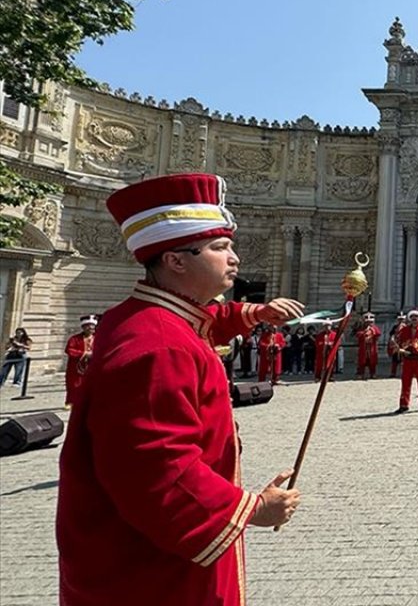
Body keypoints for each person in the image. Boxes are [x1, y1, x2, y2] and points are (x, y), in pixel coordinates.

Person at [57, 172, 303, 606]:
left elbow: (203, 320)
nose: (235, 259)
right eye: (220, 247)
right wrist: (253, 508)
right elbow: (159, 470)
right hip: (154, 571)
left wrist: (253, 313)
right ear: (175, 260)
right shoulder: (158, 347)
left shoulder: (145, 316)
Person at [64, 315, 97, 407]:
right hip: (76, 367)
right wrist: (85, 354)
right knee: (74, 385)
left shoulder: (98, 338)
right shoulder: (74, 339)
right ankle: (71, 402)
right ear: (83, 327)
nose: (90, 328)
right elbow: (69, 350)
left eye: (92, 326)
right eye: (88, 326)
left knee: (91, 385)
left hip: (92, 366)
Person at [354, 312, 381, 380]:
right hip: (363, 348)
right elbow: (357, 335)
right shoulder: (361, 328)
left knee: (372, 362)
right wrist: (364, 333)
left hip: (372, 348)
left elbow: (378, 333)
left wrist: (372, 331)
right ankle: (361, 374)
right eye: (367, 322)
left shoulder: (374, 328)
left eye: (370, 322)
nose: (368, 323)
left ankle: (372, 373)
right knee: (362, 362)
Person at [387, 313, 407, 378]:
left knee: (404, 360)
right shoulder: (395, 327)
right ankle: (393, 373)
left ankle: (404, 373)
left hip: (404, 345)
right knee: (394, 360)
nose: (401, 321)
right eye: (400, 319)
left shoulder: (407, 327)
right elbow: (391, 335)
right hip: (396, 345)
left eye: (402, 319)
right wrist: (392, 340)